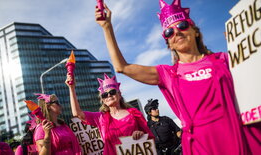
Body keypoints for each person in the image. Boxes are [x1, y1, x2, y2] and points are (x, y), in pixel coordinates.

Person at [94, 0, 260, 154]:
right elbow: (121, 67)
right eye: (169, 31)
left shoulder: (223, 59)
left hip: (237, 136)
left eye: (182, 25)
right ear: (168, 42)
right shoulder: (167, 73)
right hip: (201, 146)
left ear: (194, 31)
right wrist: (107, 27)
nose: (177, 32)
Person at [66, 73, 155, 155]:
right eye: (104, 95)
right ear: (103, 100)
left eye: (112, 92)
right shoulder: (100, 118)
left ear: (119, 94)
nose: (108, 96)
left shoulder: (134, 113)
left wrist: (141, 134)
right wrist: (71, 88)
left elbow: (149, 136)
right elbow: (77, 113)